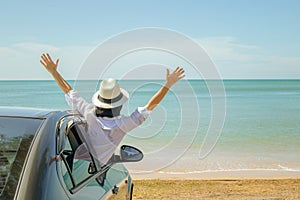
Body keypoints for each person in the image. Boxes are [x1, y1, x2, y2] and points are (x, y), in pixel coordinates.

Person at [40, 53, 185, 167]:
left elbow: (69, 91)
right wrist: (168, 84)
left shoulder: (88, 112)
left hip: (72, 163)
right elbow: (150, 106)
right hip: (90, 171)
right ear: (119, 104)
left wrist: (53, 72)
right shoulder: (123, 124)